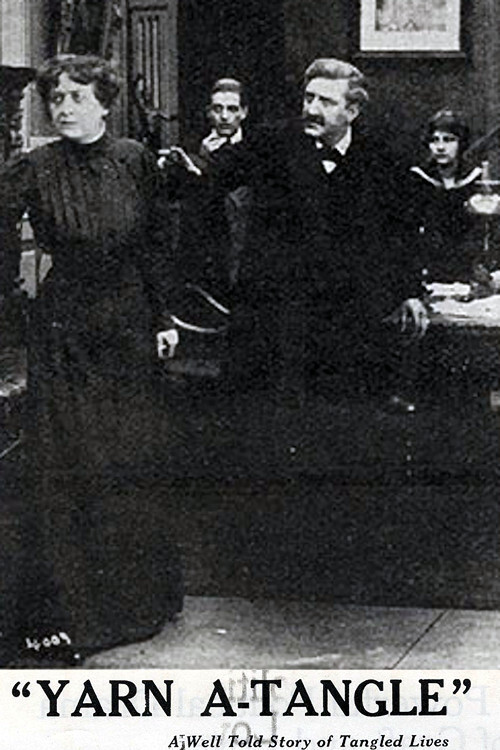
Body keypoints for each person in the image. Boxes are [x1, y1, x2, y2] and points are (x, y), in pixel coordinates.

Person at [0, 54, 183, 667]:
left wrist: (163, 318)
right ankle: (75, 611)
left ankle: (137, 602)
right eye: (56, 98)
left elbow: (155, 243)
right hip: (65, 329)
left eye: (77, 97)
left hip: (128, 325)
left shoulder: (134, 160)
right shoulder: (34, 167)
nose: (65, 108)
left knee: (128, 456)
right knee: (73, 460)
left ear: (105, 103)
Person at [211, 58, 428, 403]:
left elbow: (402, 232)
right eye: (308, 98)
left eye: (325, 102)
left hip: (347, 323)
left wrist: (410, 292)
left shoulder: (382, 159)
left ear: (352, 111)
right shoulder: (271, 144)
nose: (311, 109)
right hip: (276, 323)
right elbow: (212, 177)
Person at [161, 78, 251, 327]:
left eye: (232, 109)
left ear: (244, 112)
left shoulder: (255, 148)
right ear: (209, 112)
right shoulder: (192, 148)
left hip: (241, 249)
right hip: (204, 253)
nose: (224, 117)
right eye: (218, 109)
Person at [404, 109, 483, 284]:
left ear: (461, 143)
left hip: (470, 271)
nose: (440, 147)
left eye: (448, 140)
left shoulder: (476, 180)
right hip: (427, 270)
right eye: (434, 140)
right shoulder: (417, 179)